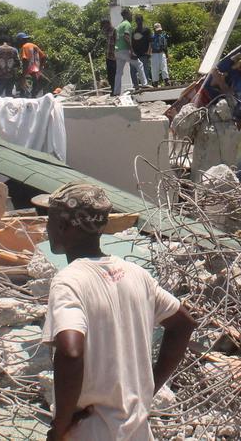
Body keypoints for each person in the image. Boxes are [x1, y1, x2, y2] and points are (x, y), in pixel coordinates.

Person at [42, 182, 197, 440]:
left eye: (49, 220)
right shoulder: (137, 275)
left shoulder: (69, 281)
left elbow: (70, 352)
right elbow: (184, 324)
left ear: (62, 226)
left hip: (91, 432)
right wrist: (149, 388)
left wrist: (60, 426)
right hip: (137, 430)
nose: (46, 228)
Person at [112, 8, 136, 96]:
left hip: (117, 51)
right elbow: (126, 37)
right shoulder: (127, 24)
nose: (132, 16)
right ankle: (144, 84)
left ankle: (116, 92)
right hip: (124, 50)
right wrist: (131, 50)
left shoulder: (118, 26)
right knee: (139, 64)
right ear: (126, 15)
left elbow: (114, 38)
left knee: (118, 73)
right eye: (130, 14)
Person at [16, 33, 49, 98]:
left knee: (25, 90)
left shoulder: (25, 46)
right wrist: (40, 68)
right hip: (36, 71)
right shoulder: (34, 46)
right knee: (36, 87)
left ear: (21, 40)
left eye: (18, 41)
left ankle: (28, 98)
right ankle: (33, 96)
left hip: (29, 71)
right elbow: (44, 56)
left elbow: (25, 60)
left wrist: (23, 75)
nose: (17, 43)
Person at [130, 15, 151, 88]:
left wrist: (149, 52)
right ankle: (135, 86)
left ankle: (145, 86)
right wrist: (132, 53)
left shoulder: (146, 30)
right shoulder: (133, 31)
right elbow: (131, 43)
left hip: (144, 54)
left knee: (145, 70)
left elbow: (150, 41)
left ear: (142, 20)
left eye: (139, 20)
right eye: (136, 20)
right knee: (133, 71)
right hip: (135, 54)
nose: (138, 21)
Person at [100, 19, 116, 94]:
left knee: (114, 75)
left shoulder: (114, 30)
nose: (104, 27)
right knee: (110, 76)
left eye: (105, 25)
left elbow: (117, 42)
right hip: (108, 56)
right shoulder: (107, 31)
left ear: (108, 23)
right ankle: (113, 90)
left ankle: (115, 91)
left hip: (114, 57)